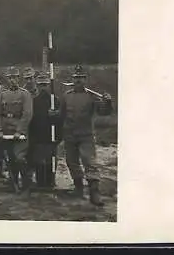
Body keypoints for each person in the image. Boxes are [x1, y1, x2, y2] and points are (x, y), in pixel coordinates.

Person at [49, 63, 113, 206]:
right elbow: (61, 115)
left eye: (81, 78)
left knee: (89, 162)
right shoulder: (67, 96)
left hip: (86, 135)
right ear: (73, 79)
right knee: (71, 162)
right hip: (70, 135)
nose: (78, 80)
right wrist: (53, 115)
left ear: (85, 79)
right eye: (76, 77)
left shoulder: (92, 96)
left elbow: (104, 112)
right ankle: (78, 188)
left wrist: (108, 102)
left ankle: (94, 193)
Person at [0, 66, 33, 196]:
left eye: (15, 77)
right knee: (10, 158)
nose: (13, 80)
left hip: (20, 132)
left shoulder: (25, 94)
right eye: (10, 78)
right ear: (7, 79)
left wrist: (20, 131)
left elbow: (27, 114)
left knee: (19, 157)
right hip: (6, 131)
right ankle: (14, 182)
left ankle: (26, 185)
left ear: (18, 78)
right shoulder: (2, 95)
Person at [28, 72, 63, 189]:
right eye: (40, 85)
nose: (43, 88)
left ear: (49, 86)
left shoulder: (55, 101)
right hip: (38, 136)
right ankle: (40, 182)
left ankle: (51, 181)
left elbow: (62, 119)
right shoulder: (33, 102)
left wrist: (55, 116)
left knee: (51, 160)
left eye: (45, 85)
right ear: (37, 86)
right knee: (38, 161)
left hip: (51, 136)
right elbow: (30, 120)